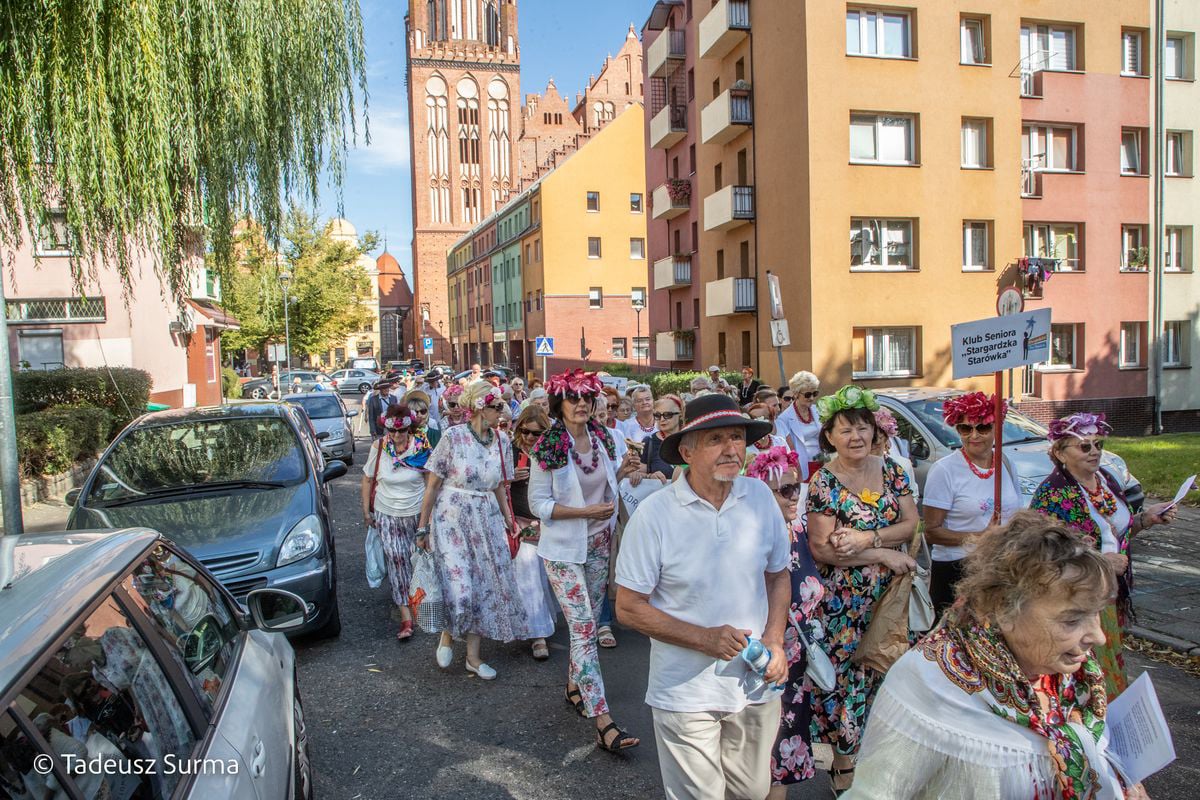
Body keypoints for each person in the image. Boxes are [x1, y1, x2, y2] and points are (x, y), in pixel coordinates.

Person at [846, 512, 1133, 799]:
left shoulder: (1076, 677)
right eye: (1072, 620)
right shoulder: (930, 681)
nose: (1098, 637)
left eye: (1096, 613)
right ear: (1004, 610)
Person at [616, 393, 790, 800]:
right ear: (687, 452)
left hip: (754, 683)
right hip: (685, 692)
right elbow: (628, 607)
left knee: (752, 791)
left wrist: (776, 639)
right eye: (716, 439)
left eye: (737, 437)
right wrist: (703, 638)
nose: (731, 449)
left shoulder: (759, 497)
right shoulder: (655, 515)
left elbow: (778, 574)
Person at [805, 385, 918, 795]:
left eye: (863, 428)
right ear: (829, 437)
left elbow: (910, 524)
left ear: (875, 431)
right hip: (843, 605)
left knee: (884, 673)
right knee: (845, 679)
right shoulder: (823, 482)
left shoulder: (892, 470)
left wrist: (867, 539)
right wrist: (883, 554)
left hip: (890, 598)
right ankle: (843, 763)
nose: (856, 437)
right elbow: (823, 548)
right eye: (846, 430)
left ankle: (875, 757)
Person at [528, 369, 641, 752]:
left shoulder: (603, 438)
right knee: (583, 628)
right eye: (573, 398)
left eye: (587, 398)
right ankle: (603, 721)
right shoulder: (548, 445)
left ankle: (574, 686)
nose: (581, 404)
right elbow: (538, 504)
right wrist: (584, 513)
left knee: (588, 626)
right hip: (563, 550)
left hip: (598, 543)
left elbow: (603, 486)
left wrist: (622, 472)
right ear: (559, 404)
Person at [1031, 412, 1177, 698]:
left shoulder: (1104, 480)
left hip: (1109, 594)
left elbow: (1117, 532)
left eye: (1098, 444)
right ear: (1060, 453)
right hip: (1077, 601)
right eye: (1084, 446)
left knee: (1109, 664)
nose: (1094, 452)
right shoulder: (1052, 493)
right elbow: (1044, 552)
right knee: (1086, 674)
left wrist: (1146, 519)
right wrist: (1100, 561)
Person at [415, 380, 532, 680]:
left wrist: (509, 519)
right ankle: (447, 634)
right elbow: (432, 486)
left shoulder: (502, 441)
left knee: (482, 588)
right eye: (497, 406)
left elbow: (500, 486)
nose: (501, 412)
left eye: (502, 406)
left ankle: (473, 657)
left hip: (487, 519)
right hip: (452, 517)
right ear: (480, 407)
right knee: (460, 587)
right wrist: (422, 526)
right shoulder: (453, 437)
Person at [744, 447, 825, 798]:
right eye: (784, 490)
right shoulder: (752, 539)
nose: (794, 496)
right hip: (765, 663)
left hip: (798, 665)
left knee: (783, 758)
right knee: (764, 755)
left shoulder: (802, 530)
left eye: (796, 487)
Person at [922, 392, 1021, 616]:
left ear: (996, 428)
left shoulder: (1005, 463)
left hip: (1001, 565)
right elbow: (931, 532)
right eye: (965, 429)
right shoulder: (944, 470)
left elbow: (1016, 513)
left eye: (982, 428)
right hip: (958, 568)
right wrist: (980, 537)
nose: (974, 435)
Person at [361, 404, 432, 641]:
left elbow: (431, 484)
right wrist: (366, 512)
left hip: (416, 513)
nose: (397, 435)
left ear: (409, 429)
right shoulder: (379, 447)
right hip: (387, 513)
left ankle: (420, 601)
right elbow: (367, 479)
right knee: (397, 559)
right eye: (392, 430)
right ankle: (406, 617)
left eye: (401, 430)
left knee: (416, 559)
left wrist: (428, 520)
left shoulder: (421, 447)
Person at [509, 404, 558, 661]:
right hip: (519, 522)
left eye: (535, 433)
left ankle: (542, 621)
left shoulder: (552, 453)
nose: (529, 437)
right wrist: (509, 478)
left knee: (544, 577)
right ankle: (538, 635)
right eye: (525, 431)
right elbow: (493, 486)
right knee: (528, 575)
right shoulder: (510, 451)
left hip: (547, 522)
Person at [775, 371, 821, 468]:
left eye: (815, 393)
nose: (812, 398)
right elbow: (786, 450)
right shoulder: (784, 419)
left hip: (823, 462)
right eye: (807, 394)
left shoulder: (818, 410)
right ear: (796, 394)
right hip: (802, 466)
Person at [639, 394, 685, 484]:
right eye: (657, 415)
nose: (662, 419)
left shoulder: (690, 439)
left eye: (668, 415)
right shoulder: (649, 442)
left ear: (680, 414)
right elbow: (635, 474)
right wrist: (649, 476)